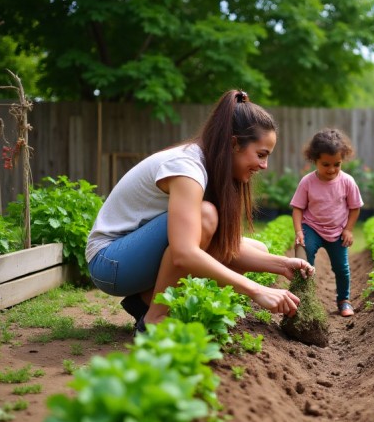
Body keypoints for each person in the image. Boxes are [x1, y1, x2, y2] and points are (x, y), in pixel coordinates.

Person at [86, 90, 314, 332]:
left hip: (132, 256)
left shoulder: (208, 166)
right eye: (261, 155)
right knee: (205, 216)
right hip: (110, 261)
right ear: (234, 143)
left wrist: (282, 265)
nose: (264, 165)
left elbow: (221, 247)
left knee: (259, 250)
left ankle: (143, 301)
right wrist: (257, 290)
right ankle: (154, 319)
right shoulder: (187, 168)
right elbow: (184, 253)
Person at [290, 128, 364, 317]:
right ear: (314, 159)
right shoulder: (307, 182)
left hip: (337, 231)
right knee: (305, 261)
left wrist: (348, 229)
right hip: (312, 227)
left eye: (336, 164)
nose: (331, 169)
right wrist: (299, 231)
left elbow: (355, 207)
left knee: (342, 268)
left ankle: (344, 301)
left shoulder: (347, 181)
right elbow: (298, 208)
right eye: (326, 164)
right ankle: (305, 299)